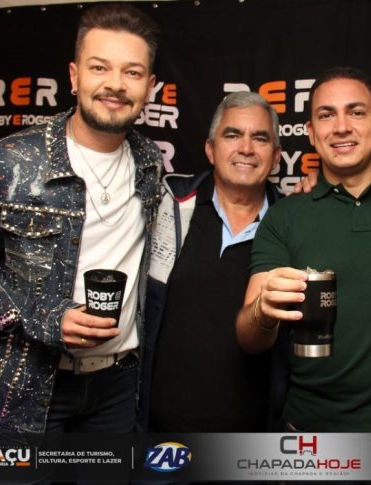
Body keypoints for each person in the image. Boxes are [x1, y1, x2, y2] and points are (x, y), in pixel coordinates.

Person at [0, 3, 161, 437]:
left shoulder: (150, 162)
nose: (115, 84)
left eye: (132, 72)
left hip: (118, 387)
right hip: (26, 386)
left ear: (149, 86)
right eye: (100, 67)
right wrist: (45, 318)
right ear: (74, 77)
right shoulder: (9, 160)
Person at [236, 66, 371, 432]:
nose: (342, 127)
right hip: (311, 430)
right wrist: (264, 310)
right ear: (311, 132)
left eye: (357, 112)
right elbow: (249, 338)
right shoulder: (285, 216)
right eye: (326, 115)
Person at [138, 91, 285, 432]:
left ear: (276, 156)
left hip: (253, 443)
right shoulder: (166, 206)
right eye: (232, 135)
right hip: (161, 435)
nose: (246, 148)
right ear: (210, 149)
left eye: (260, 138)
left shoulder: (293, 225)